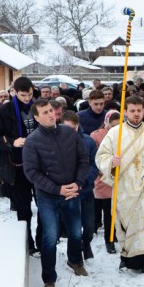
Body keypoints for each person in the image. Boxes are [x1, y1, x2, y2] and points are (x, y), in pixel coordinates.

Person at [22, 99, 90, 287]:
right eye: (45, 112)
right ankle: (49, 279)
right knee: (50, 237)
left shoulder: (69, 132)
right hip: (48, 197)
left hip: (72, 190)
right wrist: (57, 189)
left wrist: (77, 183)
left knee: (76, 232)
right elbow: (32, 173)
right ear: (36, 117)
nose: (51, 115)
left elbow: (83, 159)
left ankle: (75, 261)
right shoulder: (32, 141)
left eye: (51, 110)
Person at [95, 96, 144, 273]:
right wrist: (111, 161)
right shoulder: (115, 133)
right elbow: (101, 156)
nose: (136, 114)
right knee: (125, 224)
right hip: (124, 187)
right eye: (132, 111)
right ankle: (127, 258)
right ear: (126, 112)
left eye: (139, 111)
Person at [0, 76, 40, 254]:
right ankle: (27, 243)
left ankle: (42, 240)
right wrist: (11, 142)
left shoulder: (39, 106)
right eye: (23, 95)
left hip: (40, 165)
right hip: (16, 167)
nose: (27, 98)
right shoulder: (4, 110)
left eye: (30, 94)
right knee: (23, 209)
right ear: (14, 92)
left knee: (45, 207)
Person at [61, 110, 98, 260]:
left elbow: (94, 165)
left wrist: (83, 181)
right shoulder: (58, 142)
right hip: (69, 191)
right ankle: (75, 254)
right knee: (73, 227)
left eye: (73, 128)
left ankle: (86, 242)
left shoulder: (88, 142)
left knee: (89, 225)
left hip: (85, 190)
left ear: (78, 126)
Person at [91, 110, 119, 254]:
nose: (114, 128)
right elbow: (96, 157)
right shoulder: (97, 135)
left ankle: (117, 234)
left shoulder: (123, 134)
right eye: (112, 125)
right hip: (104, 177)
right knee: (108, 210)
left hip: (121, 177)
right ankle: (109, 240)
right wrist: (108, 168)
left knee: (118, 210)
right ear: (106, 122)